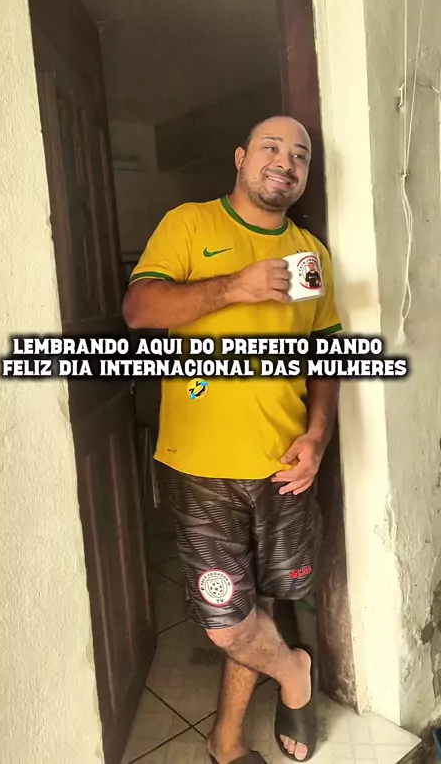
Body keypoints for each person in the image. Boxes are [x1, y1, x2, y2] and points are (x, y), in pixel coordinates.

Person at [123, 116, 342, 764]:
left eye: (300, 154)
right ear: (242, 157)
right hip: (200, 470)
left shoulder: (311, 254)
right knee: (227, 619)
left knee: (264, 601)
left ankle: (226, 742)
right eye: (272, 147)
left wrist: (318, 435)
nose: (286, 161)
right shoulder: (189, 225)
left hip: (282, 466)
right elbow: (139, 311)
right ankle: (296, 672)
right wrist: (235, 288)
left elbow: (325, 353)